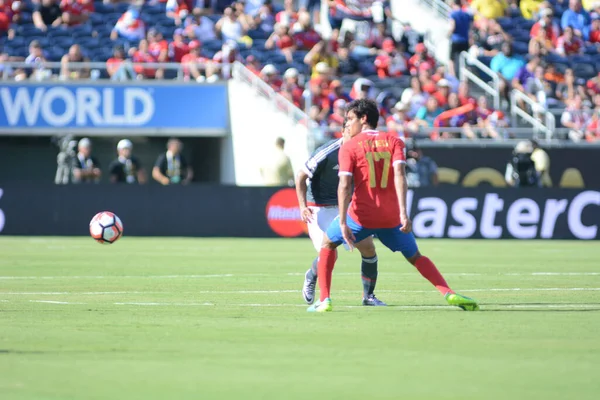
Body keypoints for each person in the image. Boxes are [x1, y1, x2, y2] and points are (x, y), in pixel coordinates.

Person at [308, 99, 479, 312]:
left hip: (361, 215)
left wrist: (342, 221)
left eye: (350, 119)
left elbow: (344, 185)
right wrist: (404, 214)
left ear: (364, 119)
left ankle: (324, 300)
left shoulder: (349, 145)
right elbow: (400, 176)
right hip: (391, 217)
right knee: (416, 257)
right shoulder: (395, 140)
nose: (347, 123)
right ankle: (449, 293)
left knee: (327, 244)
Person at [295, 126, 386, 307]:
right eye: (352, 133)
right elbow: (300, 176)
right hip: (320, 208)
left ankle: (368, 297)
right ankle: (312, 276)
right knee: (330, 253)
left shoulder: (362, 153)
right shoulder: (327, 152)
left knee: (368, 247)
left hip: (346, 207)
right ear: (343, 131)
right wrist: (302, 206)